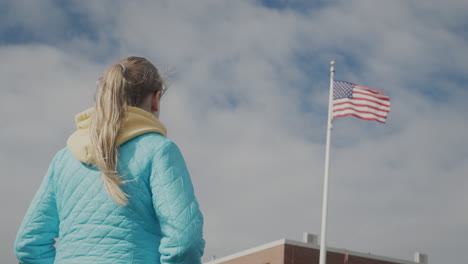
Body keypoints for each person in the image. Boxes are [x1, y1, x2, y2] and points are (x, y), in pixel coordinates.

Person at [14, 56, 205, 264]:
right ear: (155, 99)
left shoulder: (63, 158)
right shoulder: (159, 150)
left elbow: (28, 244)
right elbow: (183, 242)